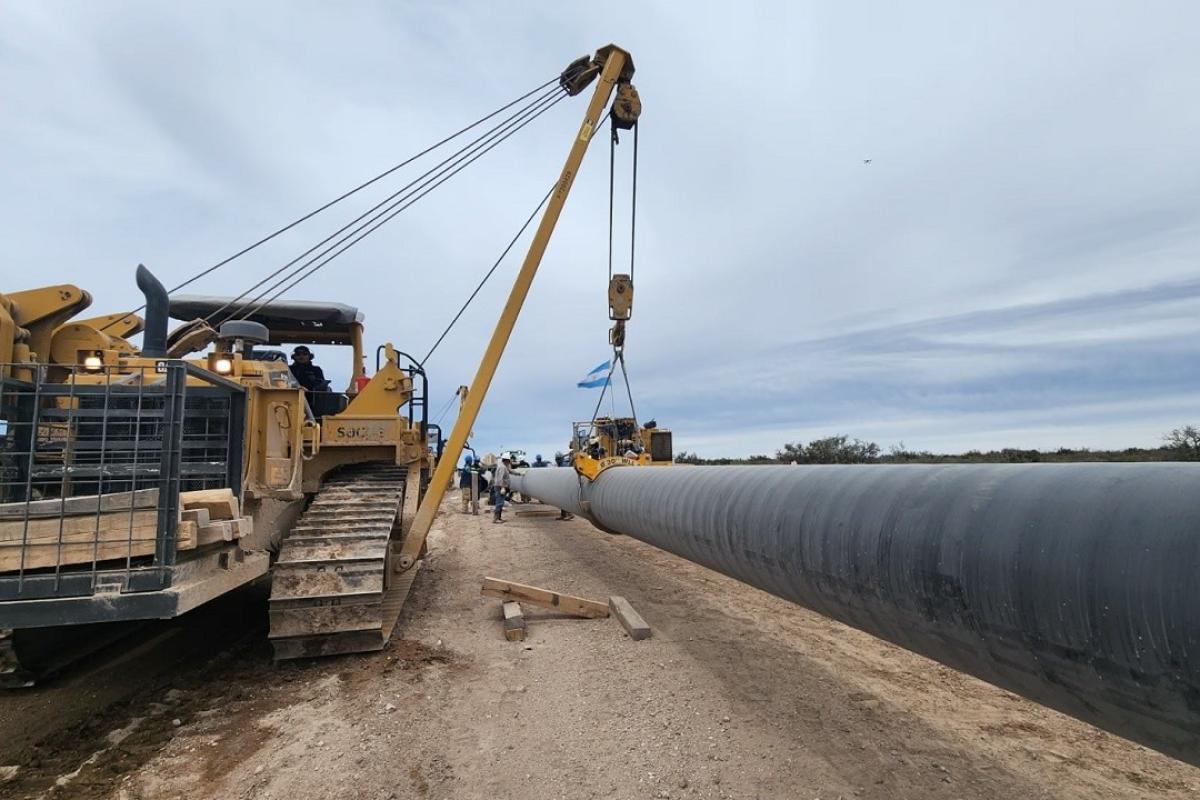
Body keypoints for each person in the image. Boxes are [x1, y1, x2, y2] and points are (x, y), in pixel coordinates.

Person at [492, 453, 513, 524]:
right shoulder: (502, 467)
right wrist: (503, 487)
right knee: (499, 503)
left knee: (500, 503)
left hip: (501, 487)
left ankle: (499, 518)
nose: (510, 462)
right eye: (509, 460)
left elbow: (510, 471)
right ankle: (495, 519)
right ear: (507, 460)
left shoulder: (504, 466)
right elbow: (500, 479)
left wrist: (519, 474)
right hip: (500, 487)